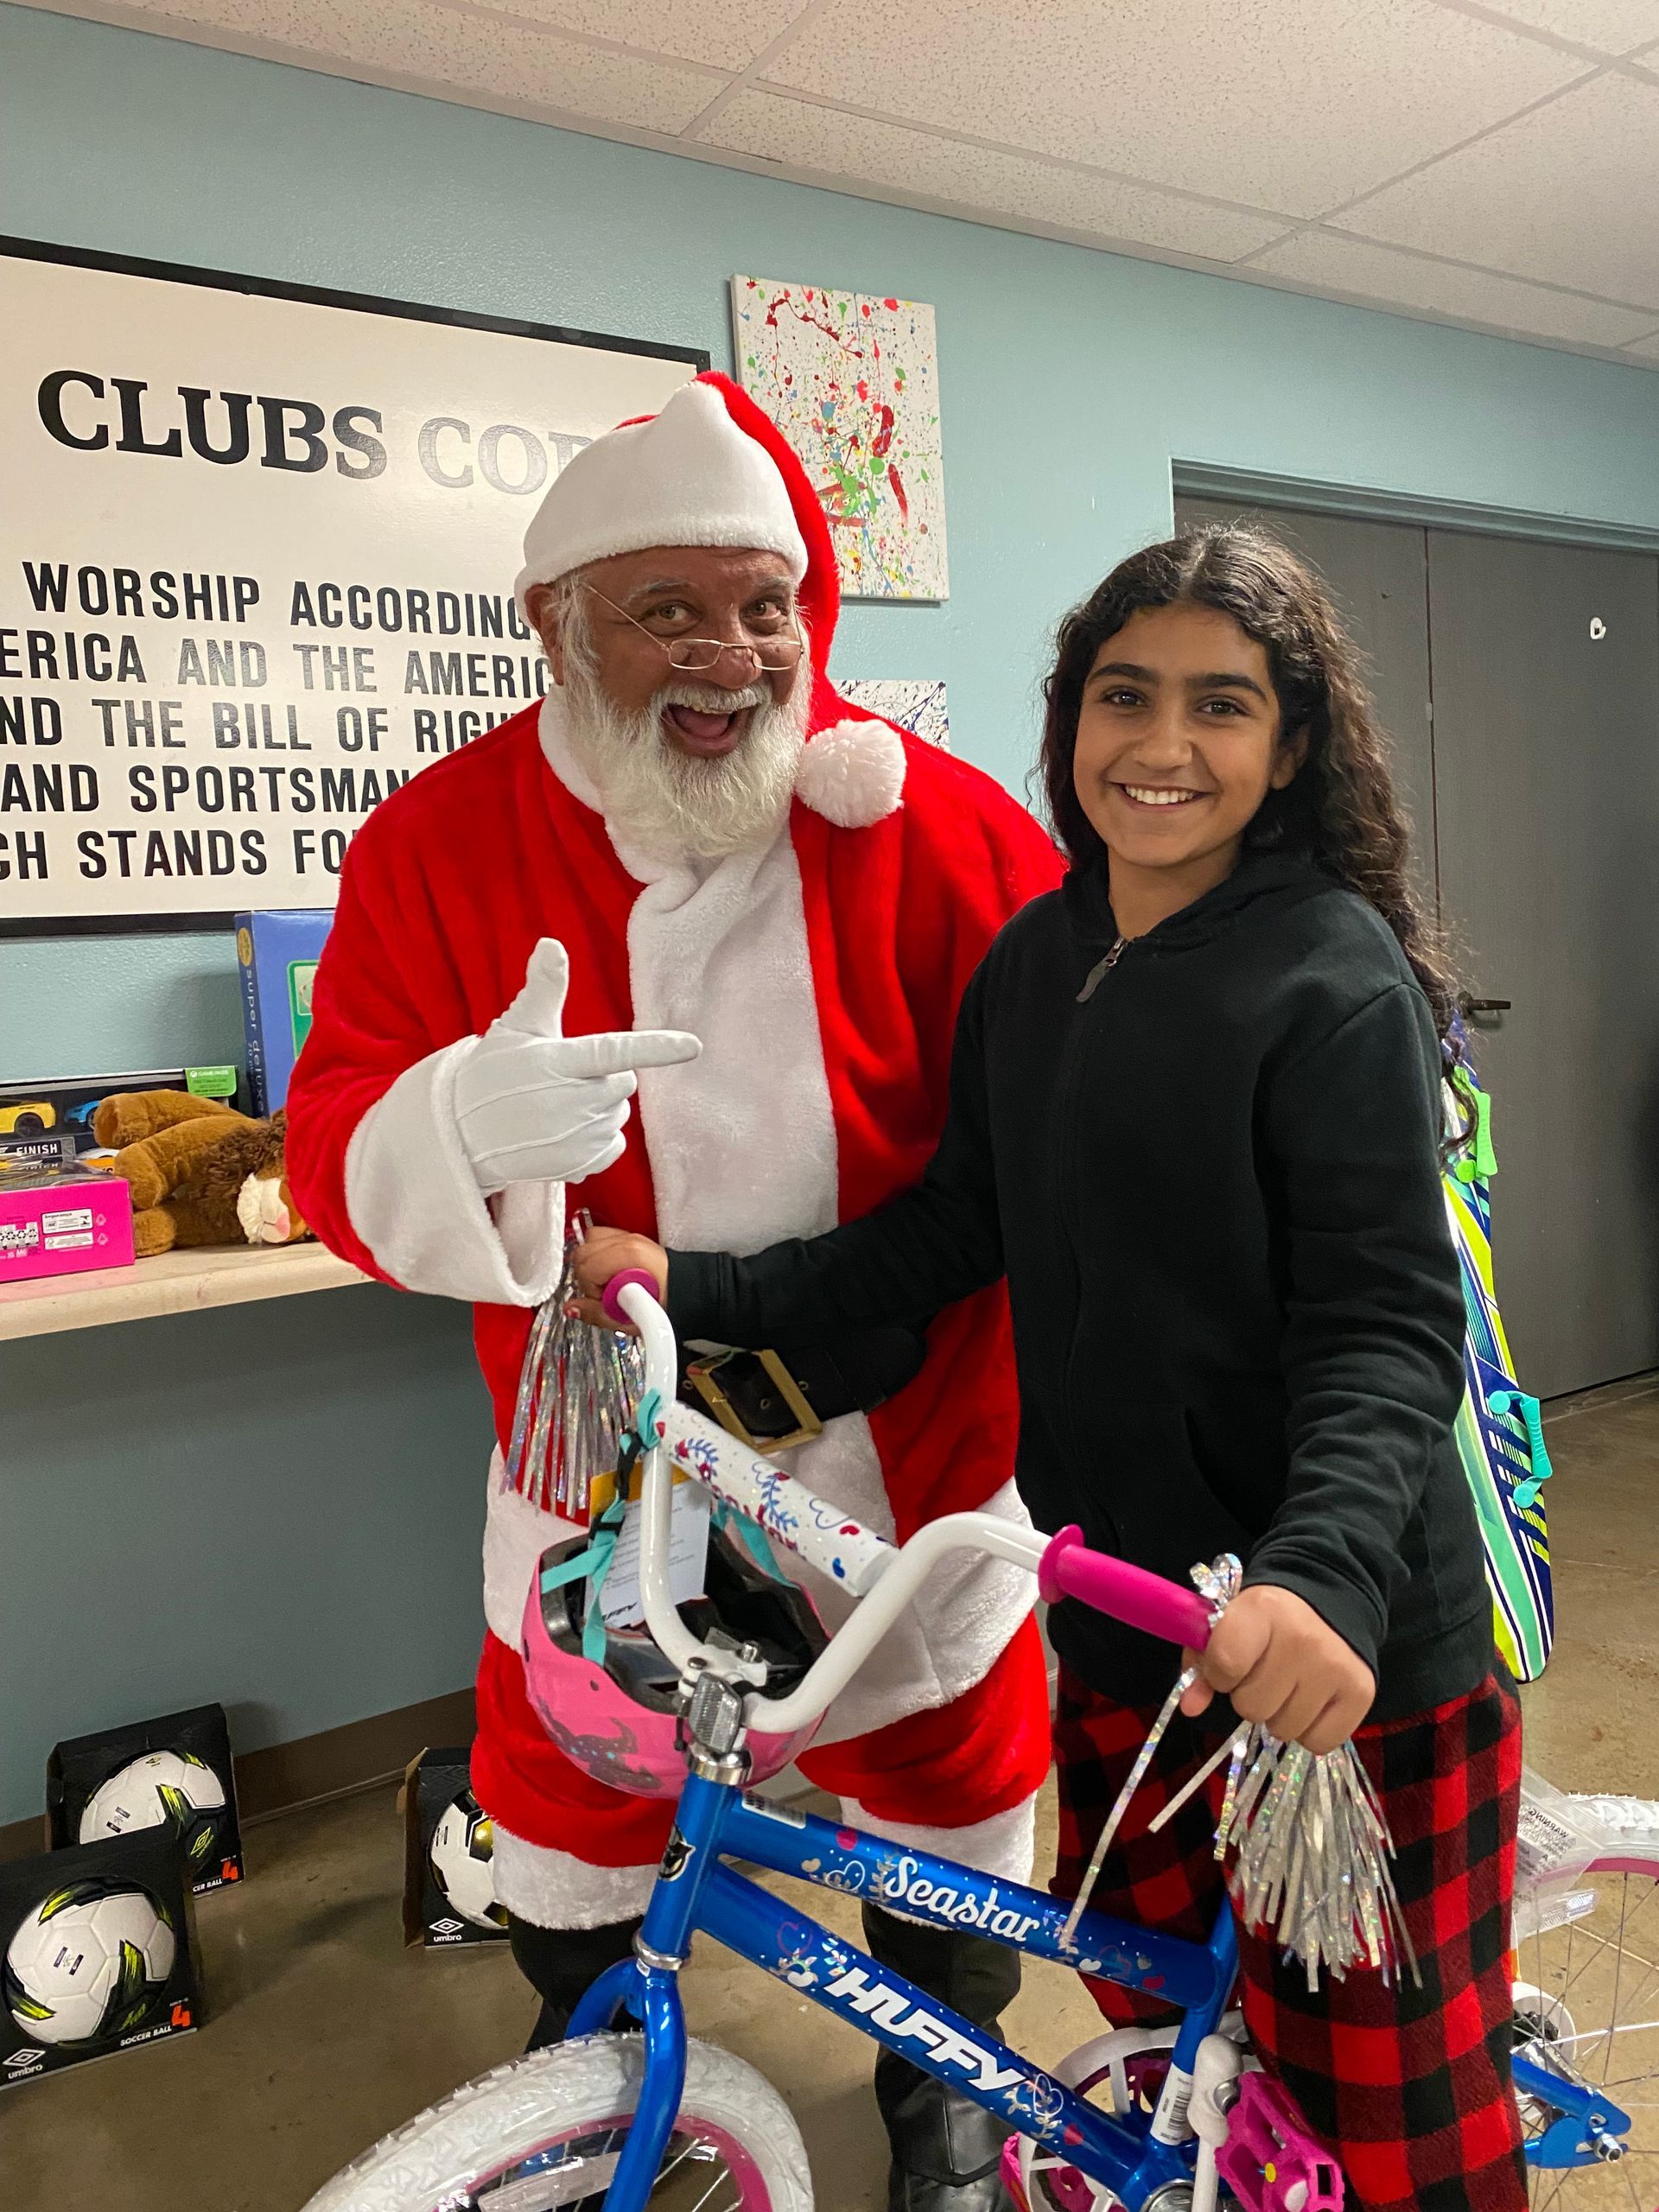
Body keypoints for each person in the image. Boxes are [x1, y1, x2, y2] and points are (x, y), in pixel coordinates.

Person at [575, 524, 1526, 2212]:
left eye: (1222, 704)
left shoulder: (1329, 976)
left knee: (1392, 2135)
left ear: (1291, 744)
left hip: (1328, 1658)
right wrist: (693, 1282)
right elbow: (955, 1225)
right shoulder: (1036, 958)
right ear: (1071, 716)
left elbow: (1385, 1325)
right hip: (1120, 1621)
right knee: (1176, 2039)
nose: (1164, 744)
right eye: (1124, 695)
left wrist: (1318, 1575)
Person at [284, 371, 1062, 2212]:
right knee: (577, 1817)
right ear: (554, 622)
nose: (731, 654)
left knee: (945, 1800)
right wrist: (452, 1123)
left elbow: (1072, 1118)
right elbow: (328, 1145)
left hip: (901, 1442)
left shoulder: (941, 831)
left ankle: (944, 2095)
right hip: (598, 1463)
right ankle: (595, 2096)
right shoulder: (436, 844)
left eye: (763, 604)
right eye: (668, 609)